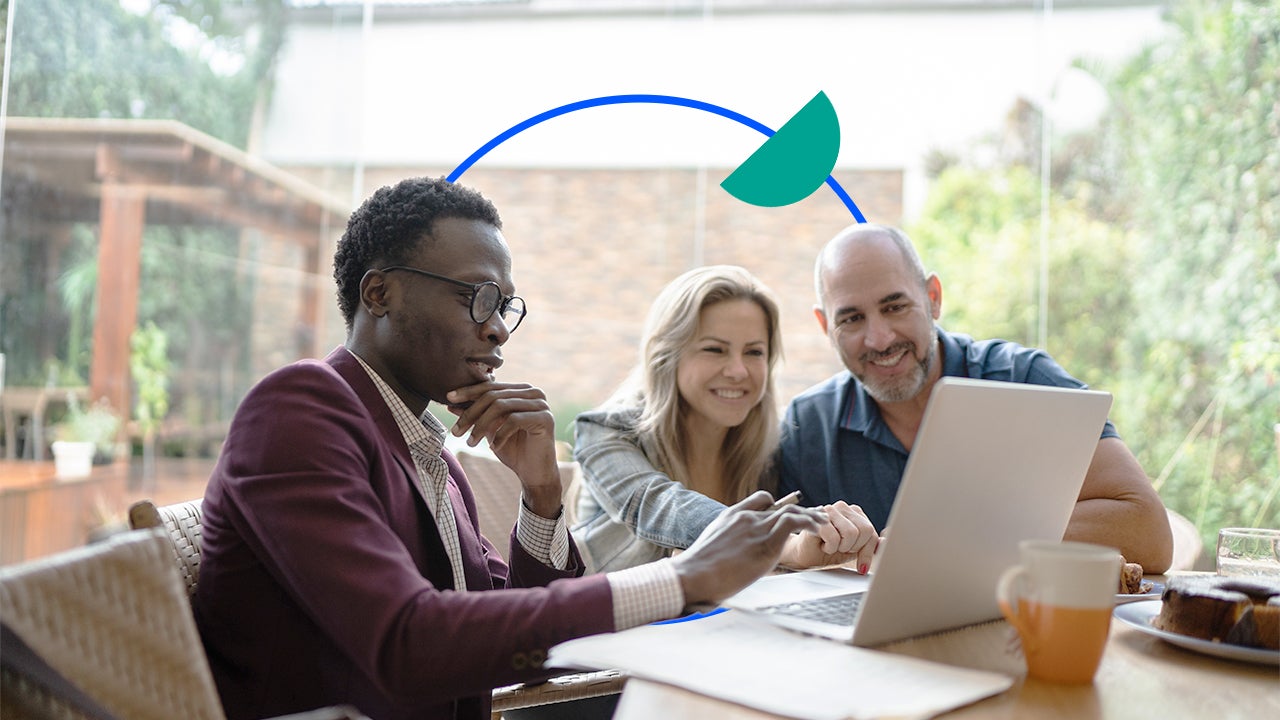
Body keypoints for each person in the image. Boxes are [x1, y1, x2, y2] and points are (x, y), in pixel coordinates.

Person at [191, 176, 825, 720]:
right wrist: (683, 577)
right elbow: (406, 642)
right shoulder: (300, 408)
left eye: (505, 306)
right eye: (478, 298)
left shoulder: (429, 456)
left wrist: (543, 495)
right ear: (379, 293)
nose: (497, 328)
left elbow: (510, 640)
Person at [776, 223, 1174, 573]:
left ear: (933, 297)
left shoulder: (1025, 379)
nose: (879, 338)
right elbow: (760, 548)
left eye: (894, 306)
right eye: (851, 318)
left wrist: (960, 538)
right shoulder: (806, 426)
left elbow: (1148, 532)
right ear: (825, 325)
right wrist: (798, 549)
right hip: (860, 648)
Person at [573, 265, 878, 574]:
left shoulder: (772, 447)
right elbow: (659, 507)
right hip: (614, 620)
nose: (738, 371)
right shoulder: (605, 432)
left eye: (754, 352)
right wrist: (783, 544)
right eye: (715, 349)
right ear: (667, 356)